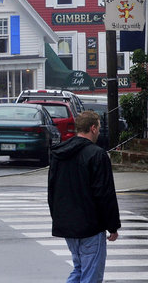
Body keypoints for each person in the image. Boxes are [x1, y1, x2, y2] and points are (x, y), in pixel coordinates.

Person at [48, 110, 120, 283]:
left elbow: (52, 190)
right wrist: (113, 226)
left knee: (80, 270)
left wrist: (58, 218)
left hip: (67, 224)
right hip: (90, 226)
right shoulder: (97, 154)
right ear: (93, 128)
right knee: (91, 275)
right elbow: (104, 194)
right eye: (99, 127)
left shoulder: (60, 154)